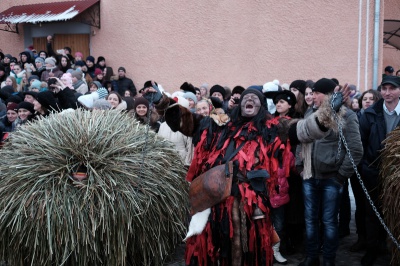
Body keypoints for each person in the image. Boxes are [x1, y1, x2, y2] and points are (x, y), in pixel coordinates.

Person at [142, 81, 349, 266]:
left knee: (250, 252)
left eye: (255, 98)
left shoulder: (274, 128)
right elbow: (185, 121)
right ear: (239, 104)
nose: (250, 99)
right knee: (215, 251)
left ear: (261, 106)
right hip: (215, 203)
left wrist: (327, 112)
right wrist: (161, 101)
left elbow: (305, 130)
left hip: (252, 208)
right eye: (246, 98)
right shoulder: (217, 124)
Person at [296, 78, 363, 266]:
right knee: (310, 221)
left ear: (327, 96)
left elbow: (356, 150)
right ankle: (311, 257)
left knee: (329, 222)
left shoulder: (346, 115)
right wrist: (300, 167)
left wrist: (340, 176)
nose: (312, 96)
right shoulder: (310, 112)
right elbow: (301, 140)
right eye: (312, 92)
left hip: (331, 179)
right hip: (309, 176)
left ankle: (328, 260)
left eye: (316, 93)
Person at [358, 75, 400, 266]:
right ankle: (372, 249)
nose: (387, 93)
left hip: (397, 174)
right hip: (373, 171)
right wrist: (364, 167)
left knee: (396, 211)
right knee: (372, 213)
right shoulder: (370, 114)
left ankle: (392, 248)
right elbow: (361, 143)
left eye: (392, 89)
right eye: (384, 89)